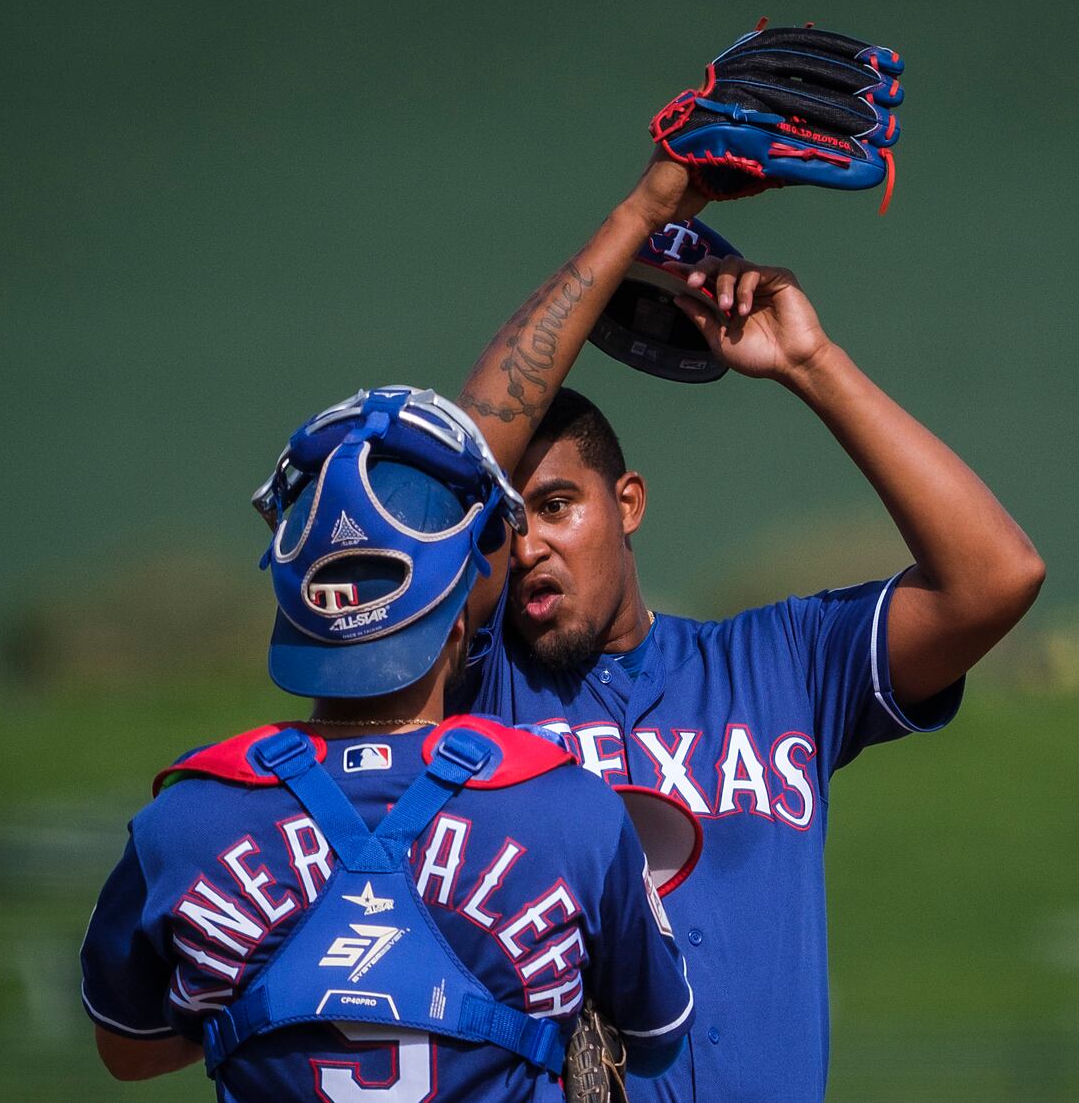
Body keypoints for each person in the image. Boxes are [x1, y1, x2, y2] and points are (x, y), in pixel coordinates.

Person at [448, 158, 1047, 1101]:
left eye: (557, 505)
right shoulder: (469, 690)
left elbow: (996, 579)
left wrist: (812, 365)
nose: (529, 548)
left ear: (629, 502)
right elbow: (452, 471)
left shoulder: (780, 666)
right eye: (506, 522)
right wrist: (646, 210)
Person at [80, 386, 699, 1101]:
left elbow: (127, 1050)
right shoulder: (574, 814)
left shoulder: (179, 823)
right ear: (460, 620)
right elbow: (657, 1038)